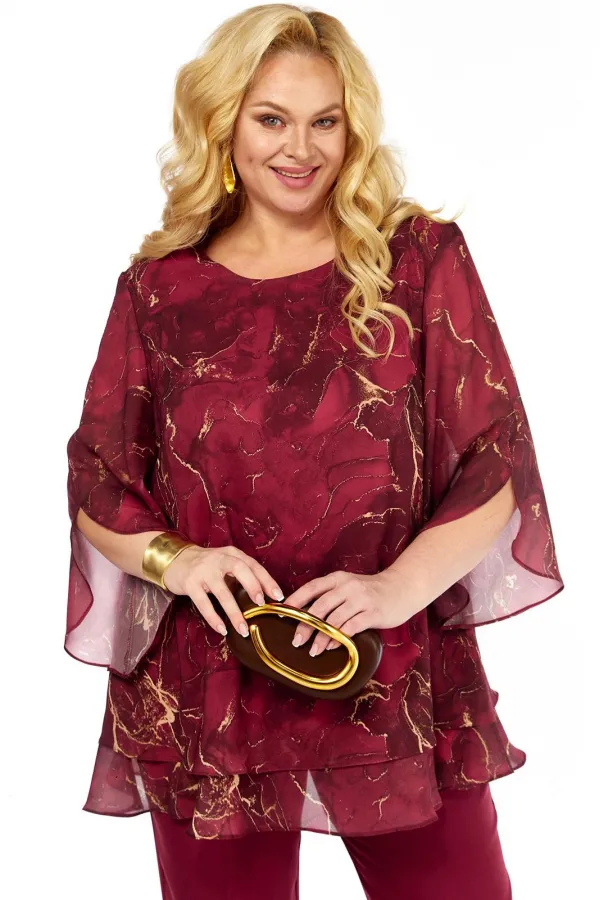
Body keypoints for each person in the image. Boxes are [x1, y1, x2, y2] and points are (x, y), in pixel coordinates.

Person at [64, 5, 564, 899]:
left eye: (324, 121)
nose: (300, 148)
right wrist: (181, 563)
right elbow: (99, 479)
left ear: (352, 129)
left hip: (390, 669)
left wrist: (394, 590)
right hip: (214, 679)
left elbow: (494, 462)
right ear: (223, 124)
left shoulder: (416, 259)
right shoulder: (160, 292)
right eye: (272, 119)